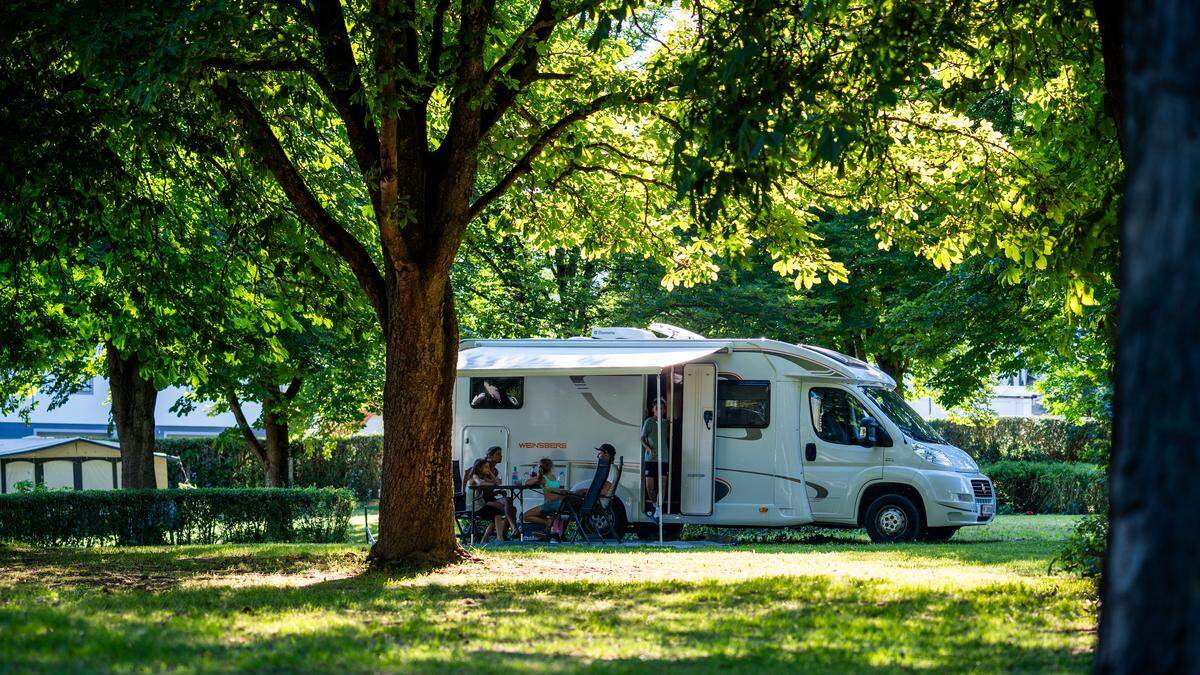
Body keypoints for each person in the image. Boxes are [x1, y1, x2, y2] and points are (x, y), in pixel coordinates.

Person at [640, 398, 667, 520]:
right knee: (649, 487)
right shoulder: (649, 421)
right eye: (657, 409)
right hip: (650, 459)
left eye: (661, 408)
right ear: (653, 410)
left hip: (664, 458)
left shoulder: (666, 423)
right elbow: (641, 438)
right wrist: (649, 449)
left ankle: (659, 509)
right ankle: (655, 505)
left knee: (662, 485)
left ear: (664, 410)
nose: (659, 410)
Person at [522, 458, 565, 533]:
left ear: (540, 468)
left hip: (549, 505)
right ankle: (547, 530)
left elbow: (527, 483)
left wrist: (537, 477)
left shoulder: (542, 479)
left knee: (525, 516)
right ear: (551, 467)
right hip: (558, 504)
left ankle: (547, 523)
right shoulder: (554, 477)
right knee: (540, 514)